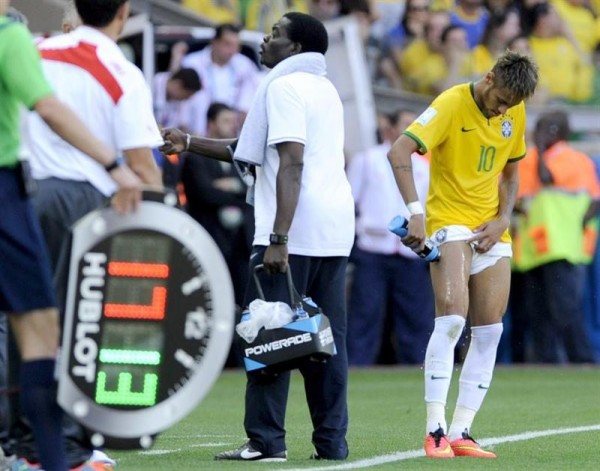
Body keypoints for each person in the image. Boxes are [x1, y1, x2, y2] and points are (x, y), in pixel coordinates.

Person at [161, 12, 354, 461]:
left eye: (275, 35)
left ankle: (266, 442)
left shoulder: (283, 87)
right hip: (332, 229)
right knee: (327, 339)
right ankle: (332, 442)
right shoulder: (324, 87)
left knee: (268, 331)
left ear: (297, 49)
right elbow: (252, 153)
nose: (264, 41)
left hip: (293, 229)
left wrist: (278, 237)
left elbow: (291, 161)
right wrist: (189, 142)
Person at [9, 0, 163, 469]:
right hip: (85, 204)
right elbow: (141, 166)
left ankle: (22, 446)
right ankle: (69, 448)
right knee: (82, 328)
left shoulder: (37, 50)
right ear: (124, 12)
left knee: (26, 325)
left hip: (22, 193)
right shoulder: (120, 69)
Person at [387, 50, 538, 458]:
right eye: (501, 99)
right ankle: (434, 429)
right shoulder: (452, 102)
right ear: (489, 78)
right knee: (453, 319)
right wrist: (415, 214)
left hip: (489, 227)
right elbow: (399, 152)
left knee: (490, 332)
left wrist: (504, 218)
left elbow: (511, 170)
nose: (503, 109)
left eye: (512, 105)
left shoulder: (514, 111)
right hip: (448, 221)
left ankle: (461, 432)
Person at [346, 109, 434, 366]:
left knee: (416, 317)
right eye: (406, 124)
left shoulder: (424, 167)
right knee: (366, 314)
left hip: (410, 251)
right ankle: (357, 368)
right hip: (373, 249)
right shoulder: (367, 160)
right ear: (390, 128)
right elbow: (351, 201)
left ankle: (418, 370)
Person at [510, 110, 599, 363]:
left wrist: (537, 147)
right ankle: (546, 361)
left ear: (558, 132)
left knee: (565, 307)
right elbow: (518, 198)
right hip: (533, 249)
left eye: (545, 128)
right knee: (538, 311)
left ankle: (581, 360)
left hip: (561, 246)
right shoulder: (528, 159)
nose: (539, 133)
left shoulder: (572, 158)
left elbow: (547, 179)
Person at [181, 102, 253, 310]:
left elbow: (252, 189)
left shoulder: (241, 156)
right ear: (211, 124)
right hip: (210, 238)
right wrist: (239, 192)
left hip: (240, 243)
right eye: (226, 121)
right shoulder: (195, 157)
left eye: (234, 121)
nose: (232, 126)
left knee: (242, 300)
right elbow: (205, 193)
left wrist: (234, 186)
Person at [180, 23, 261, 133]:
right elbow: (182, 101)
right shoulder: (192, 62)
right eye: (227, 44)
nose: (232, 50)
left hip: (229, 136)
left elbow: (247, 103)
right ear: (214, 42)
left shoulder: (245, 65)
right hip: (195, 132)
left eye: (236, 46)